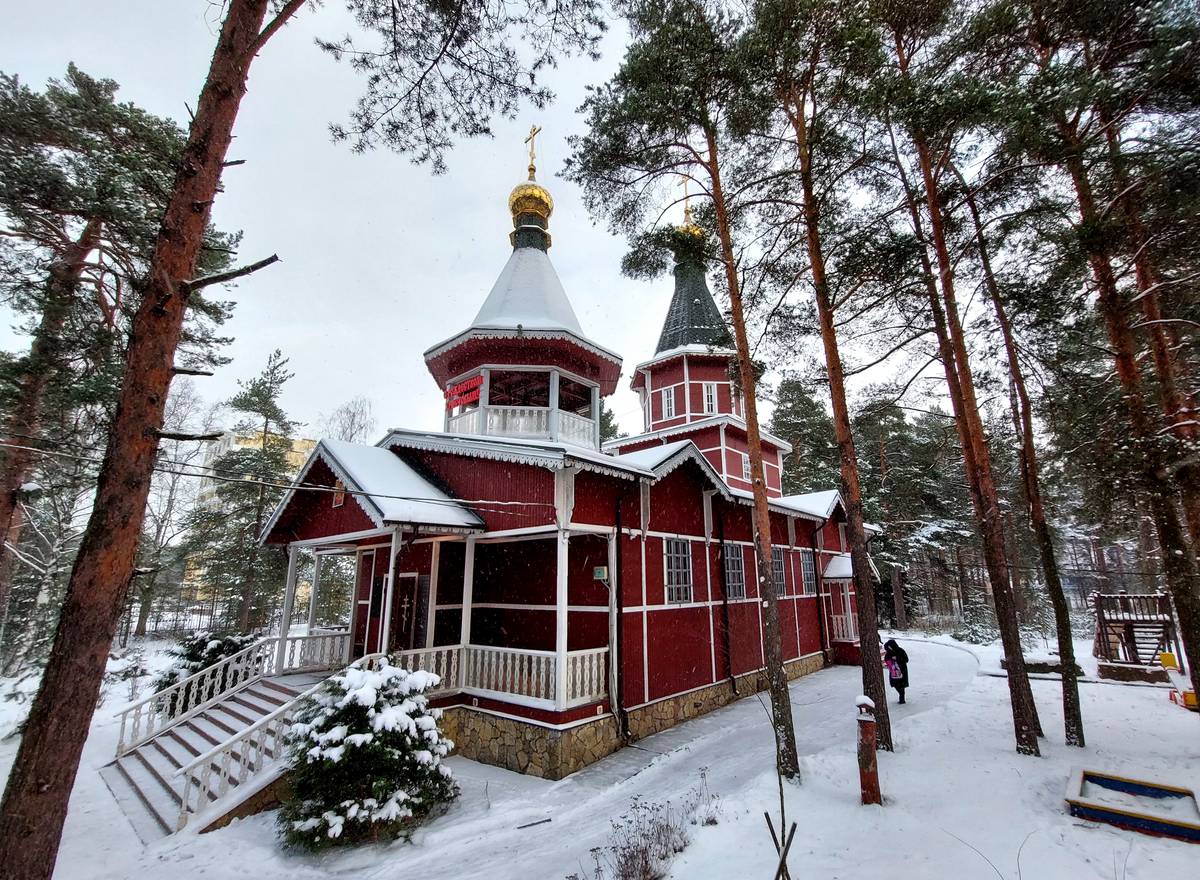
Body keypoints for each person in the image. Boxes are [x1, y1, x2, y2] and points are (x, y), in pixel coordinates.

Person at [883, 639, 909, 704]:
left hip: (902, 670)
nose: (889, 648)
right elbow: (886, 659)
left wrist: (897, 658)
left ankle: (902, 699)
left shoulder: (900, 651)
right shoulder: (888, 652)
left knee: (901, 685)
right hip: (893, 671)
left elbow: (906, 659)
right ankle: (901, 695)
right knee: (895, 684)